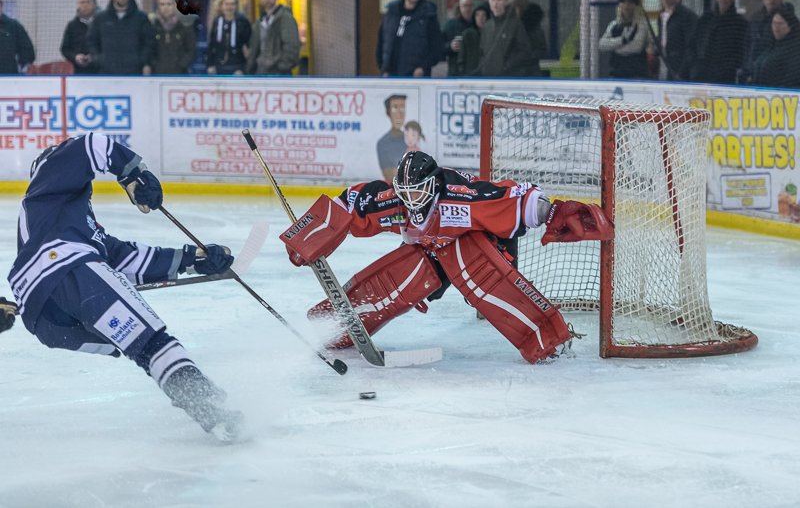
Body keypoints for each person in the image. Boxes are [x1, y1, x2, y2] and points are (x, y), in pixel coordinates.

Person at [6, 133, 242, 441]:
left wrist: (192, 260)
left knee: (142, 348)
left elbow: (124, 258)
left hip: (44, 316)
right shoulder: (48, 181)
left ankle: (207, 410)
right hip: (68, 271)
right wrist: (133, 175)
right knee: (151, 343)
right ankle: (205, 403)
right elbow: (88, 145)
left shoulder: (72, 221)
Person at [281, 151, 613, 364]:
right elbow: (348, 204)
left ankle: (547, 338)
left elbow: (515, 198)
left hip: (483, 246)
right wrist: (310, 234)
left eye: (418, 191)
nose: (410, 200)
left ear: (434, 184)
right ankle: (334, 327)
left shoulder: (461, 199)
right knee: (408, 273)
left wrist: (555, 210)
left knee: (471, 262)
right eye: (405, 193)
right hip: (431, 252)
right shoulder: (394, 201)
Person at [376, 0, 443, 77]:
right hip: (391, 72)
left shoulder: (428, 15)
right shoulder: (391, 13)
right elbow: (382, 40)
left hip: (416, 73)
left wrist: (424, 68)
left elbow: (436, 46)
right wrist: (383, 67)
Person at [87, 0, 155, 75]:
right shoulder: (101, 18)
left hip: (134, 72)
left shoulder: (141, 17)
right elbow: (91, 40)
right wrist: (98, 59)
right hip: (107, 72)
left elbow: (148, 42)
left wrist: (141, 61)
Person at [684, 0, 747, 85]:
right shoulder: (705, 20)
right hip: (700, 76)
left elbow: (741, 51)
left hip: (725, 78)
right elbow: (691, 45)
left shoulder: (740, 24)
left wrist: (727, 68)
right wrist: (695, 64)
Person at [476, 0, 536, 77]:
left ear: (506, 1)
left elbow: (525, 52)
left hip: (508, 79)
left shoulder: (515, 24)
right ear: (489, 1)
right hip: (487, 79)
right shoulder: (487, 25)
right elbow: (482, 52)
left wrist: (507, 66)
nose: (496, 4)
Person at [245, 0, 301, 76]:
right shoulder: (259, 22)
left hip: (278, 71)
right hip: (261, 69)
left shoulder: (285, 17)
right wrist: (250, 67)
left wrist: (283, 66)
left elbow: (292, 44)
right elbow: (255, 47)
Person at [599, 0, 651, 79]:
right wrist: (622, 41)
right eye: (623, 2)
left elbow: (636, 47)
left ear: (635, 5)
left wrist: (615, 48)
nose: (626, 6)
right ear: (620, 5)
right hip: (616, 73)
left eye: (630, 2)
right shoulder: (614, 25)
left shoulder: (642, 24)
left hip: (636, 74)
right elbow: (602, 45)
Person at [741, 0, 786, 84]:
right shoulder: (755, 19)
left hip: (775, 78)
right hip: (753, 76)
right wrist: (746, 70)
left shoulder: (786, 21)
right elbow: (747, 46)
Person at [654, 0, 697, 81]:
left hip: (679, 69)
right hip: (663, 65)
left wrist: (682, 72)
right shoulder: (660, 17)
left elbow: (691, 46)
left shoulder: (687, 16)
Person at [753, 4, 800, 89]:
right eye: (774, 23)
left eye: (780, 23)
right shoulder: (770, 45)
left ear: (789, 27)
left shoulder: (794, 50)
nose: (776, 27)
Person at [149, 0, 196, 75]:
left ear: (175, 6)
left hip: (180, 74)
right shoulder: (153, 27)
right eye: (162, 4)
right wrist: (155, 65)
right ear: (158, 6)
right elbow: (149, 49)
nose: (165, 7)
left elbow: (191, 50)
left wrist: (181, 65)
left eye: (169, 4)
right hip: (157, 74)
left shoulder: (185, 26)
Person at [206, 0, 251, 75]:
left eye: (232, 4)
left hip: (237, 66)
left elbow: (248, 47)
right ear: (221, 6)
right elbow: (212, 45)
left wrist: (243, 69)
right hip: (218, 65)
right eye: (227, 4)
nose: (229, 7)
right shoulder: (216, 22)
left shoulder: (243, 22)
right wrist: (210, 65)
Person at [60, 0, 100, 74]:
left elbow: (108, 47)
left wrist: (94, 57)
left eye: (88, 2)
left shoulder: (102, 23)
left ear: (95, 3)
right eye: (82, 2)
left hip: (100, 71)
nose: (85, 5)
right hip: (78, 72)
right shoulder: (72, 25)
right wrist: (75, 57)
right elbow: (65, 49)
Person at [513, 0, 547, 77]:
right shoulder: (511, 26)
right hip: (513, 70)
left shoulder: (533, 28)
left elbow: (540, 50)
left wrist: (522, 58)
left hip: (530, 70)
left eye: (518, 8)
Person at [441, 0, 474, 77]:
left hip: (474, 73)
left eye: (470, 6)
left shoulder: (478, 25)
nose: (468, 9)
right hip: (455, 72)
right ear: (460, 7)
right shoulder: (451, 25)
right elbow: (439, 46)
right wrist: (450, 46)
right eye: (465, 6)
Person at [0, 0, 35, 75]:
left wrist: (24, 67)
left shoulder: (14, 26)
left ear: (1, 3)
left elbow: (28, 51)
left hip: (10, 77)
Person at [376, 94, 407, 180]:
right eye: (395, 108)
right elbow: (389, 175)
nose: (399, 114)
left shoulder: (411, 140)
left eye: (402, 108)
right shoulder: (383, 143)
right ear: (388, 112)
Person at [457, 0, 490, 76]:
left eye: (483, 15)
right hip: (470, 76)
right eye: (477, 15)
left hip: (488, 76)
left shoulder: (492, 34)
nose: (480, 18)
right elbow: (461, 59)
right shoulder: (467, 34)